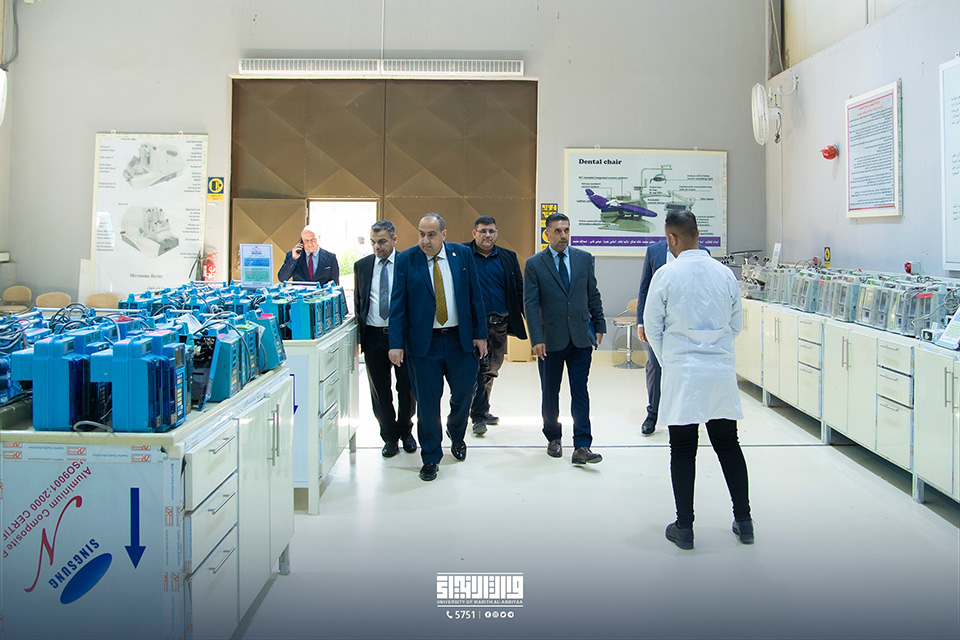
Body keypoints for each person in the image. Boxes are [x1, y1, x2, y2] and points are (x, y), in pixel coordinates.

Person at [642, 210, 752, 551]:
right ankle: (745, 521)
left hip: (684, 373)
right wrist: (714, 348)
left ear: (671, 238)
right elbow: (736, 324)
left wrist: (670, 360)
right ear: (698, 234)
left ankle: (685, 527)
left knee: (683, 448)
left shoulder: (666, 274)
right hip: (719, 372)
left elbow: (652, 327)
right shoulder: (724, 274)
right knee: (728, 444)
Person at [388, 214, 488, 482]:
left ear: (443, 234)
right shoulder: (407, 260)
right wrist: (396, 344)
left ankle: (456, 432)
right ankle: (431, 456)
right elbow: (397, 304)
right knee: (428, 404)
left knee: (464, 394)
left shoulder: (462, 255)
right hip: (424, 345)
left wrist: (480, 335)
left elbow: (475, 296)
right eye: (421, 234)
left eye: (431, 235)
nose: (425, 240)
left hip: (459, 341)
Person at [524, 212, 606, 465]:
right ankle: (553, 437)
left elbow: (593, 294)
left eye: (567, 230)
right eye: (558, 231)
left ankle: (582, 445)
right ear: (547, 234)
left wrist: (600, 324)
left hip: (580, 338)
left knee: (580, 391)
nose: (563, 235)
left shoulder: (584, 258)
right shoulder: (535, 264)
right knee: (550, 392)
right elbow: (530, 304)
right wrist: (536, 338)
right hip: (550, 339)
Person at [354, 221, 417, 458]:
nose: (377, 247)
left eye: (382, 241)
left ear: (394, 239)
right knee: (380, 391)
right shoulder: (362, 266)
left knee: (406, 388)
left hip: (402, 337)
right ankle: (389, 436)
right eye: (373, 242)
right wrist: (359, 339)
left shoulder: (407, 263)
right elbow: (359, 303)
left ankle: (406, 431)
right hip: (373, 337)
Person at [636, 238, 711, 435]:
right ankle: (652, 414)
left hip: (690, 324)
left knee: (691, 368)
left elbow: (704, 290)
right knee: (655, 365)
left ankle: (690, 415)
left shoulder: (702, 253)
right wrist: (641, 322)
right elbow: (645, 288)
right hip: (659, 322)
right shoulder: (654, 251)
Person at [467, 215, 527, 436]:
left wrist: (531, 320)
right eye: (482, 231)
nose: (487, 235)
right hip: (474, 327)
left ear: (496, 233)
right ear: (474, 233)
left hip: (499, 325)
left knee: (492, 369)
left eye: (491, 231)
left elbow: (519, 289)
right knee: (477, 370)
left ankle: (481, 409)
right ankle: (478, 416)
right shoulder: (463, 254)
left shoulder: (508, 257)